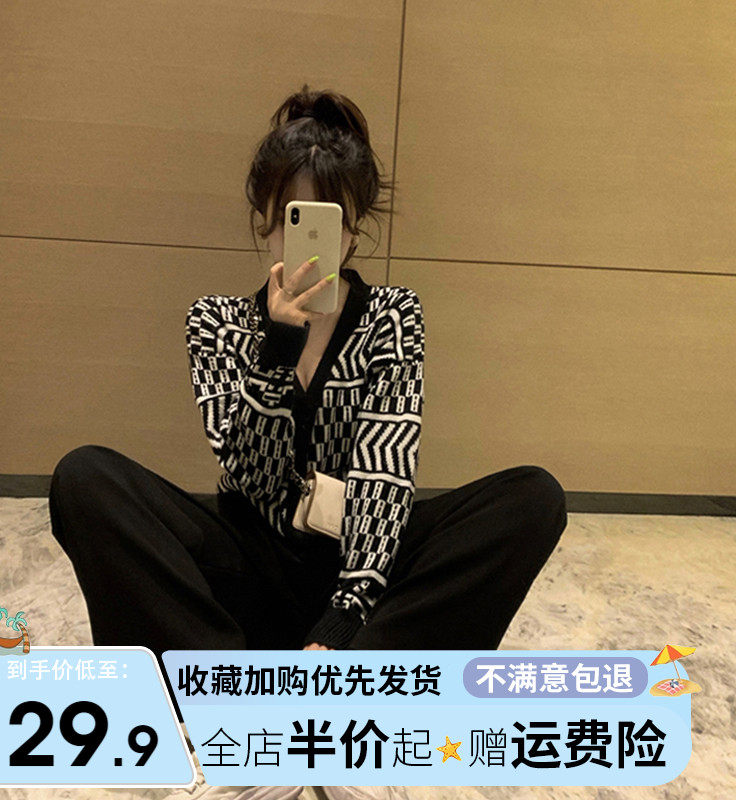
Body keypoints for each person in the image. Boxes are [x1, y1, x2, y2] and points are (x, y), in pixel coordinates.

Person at [49, 84, 568, 800]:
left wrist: (348, 611)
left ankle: (332, 703)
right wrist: (276, 348)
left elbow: (386, 468)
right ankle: (247, 710)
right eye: (292, 220)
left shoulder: (392, 316)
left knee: (532, 499)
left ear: (353, 231)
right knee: (86, 479)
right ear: (265, 221)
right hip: (249, 569)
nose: (309, 245)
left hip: (358, 577)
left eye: (331, 222)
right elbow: (252, 479)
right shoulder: (216, 323)